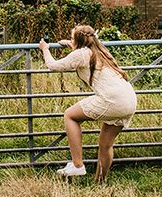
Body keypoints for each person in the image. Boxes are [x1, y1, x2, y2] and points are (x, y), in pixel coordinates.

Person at [38, 25, 137, 181]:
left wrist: (45, 48)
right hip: (128, 98)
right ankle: (100, 183)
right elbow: (82, 54)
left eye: (72, 39)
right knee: (105, 145)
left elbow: (53, 66)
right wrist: (71, 44)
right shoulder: (100, 51)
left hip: (111, 99)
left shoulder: (81, 54)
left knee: (70, 116)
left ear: (78, 40)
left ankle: (77, 165)